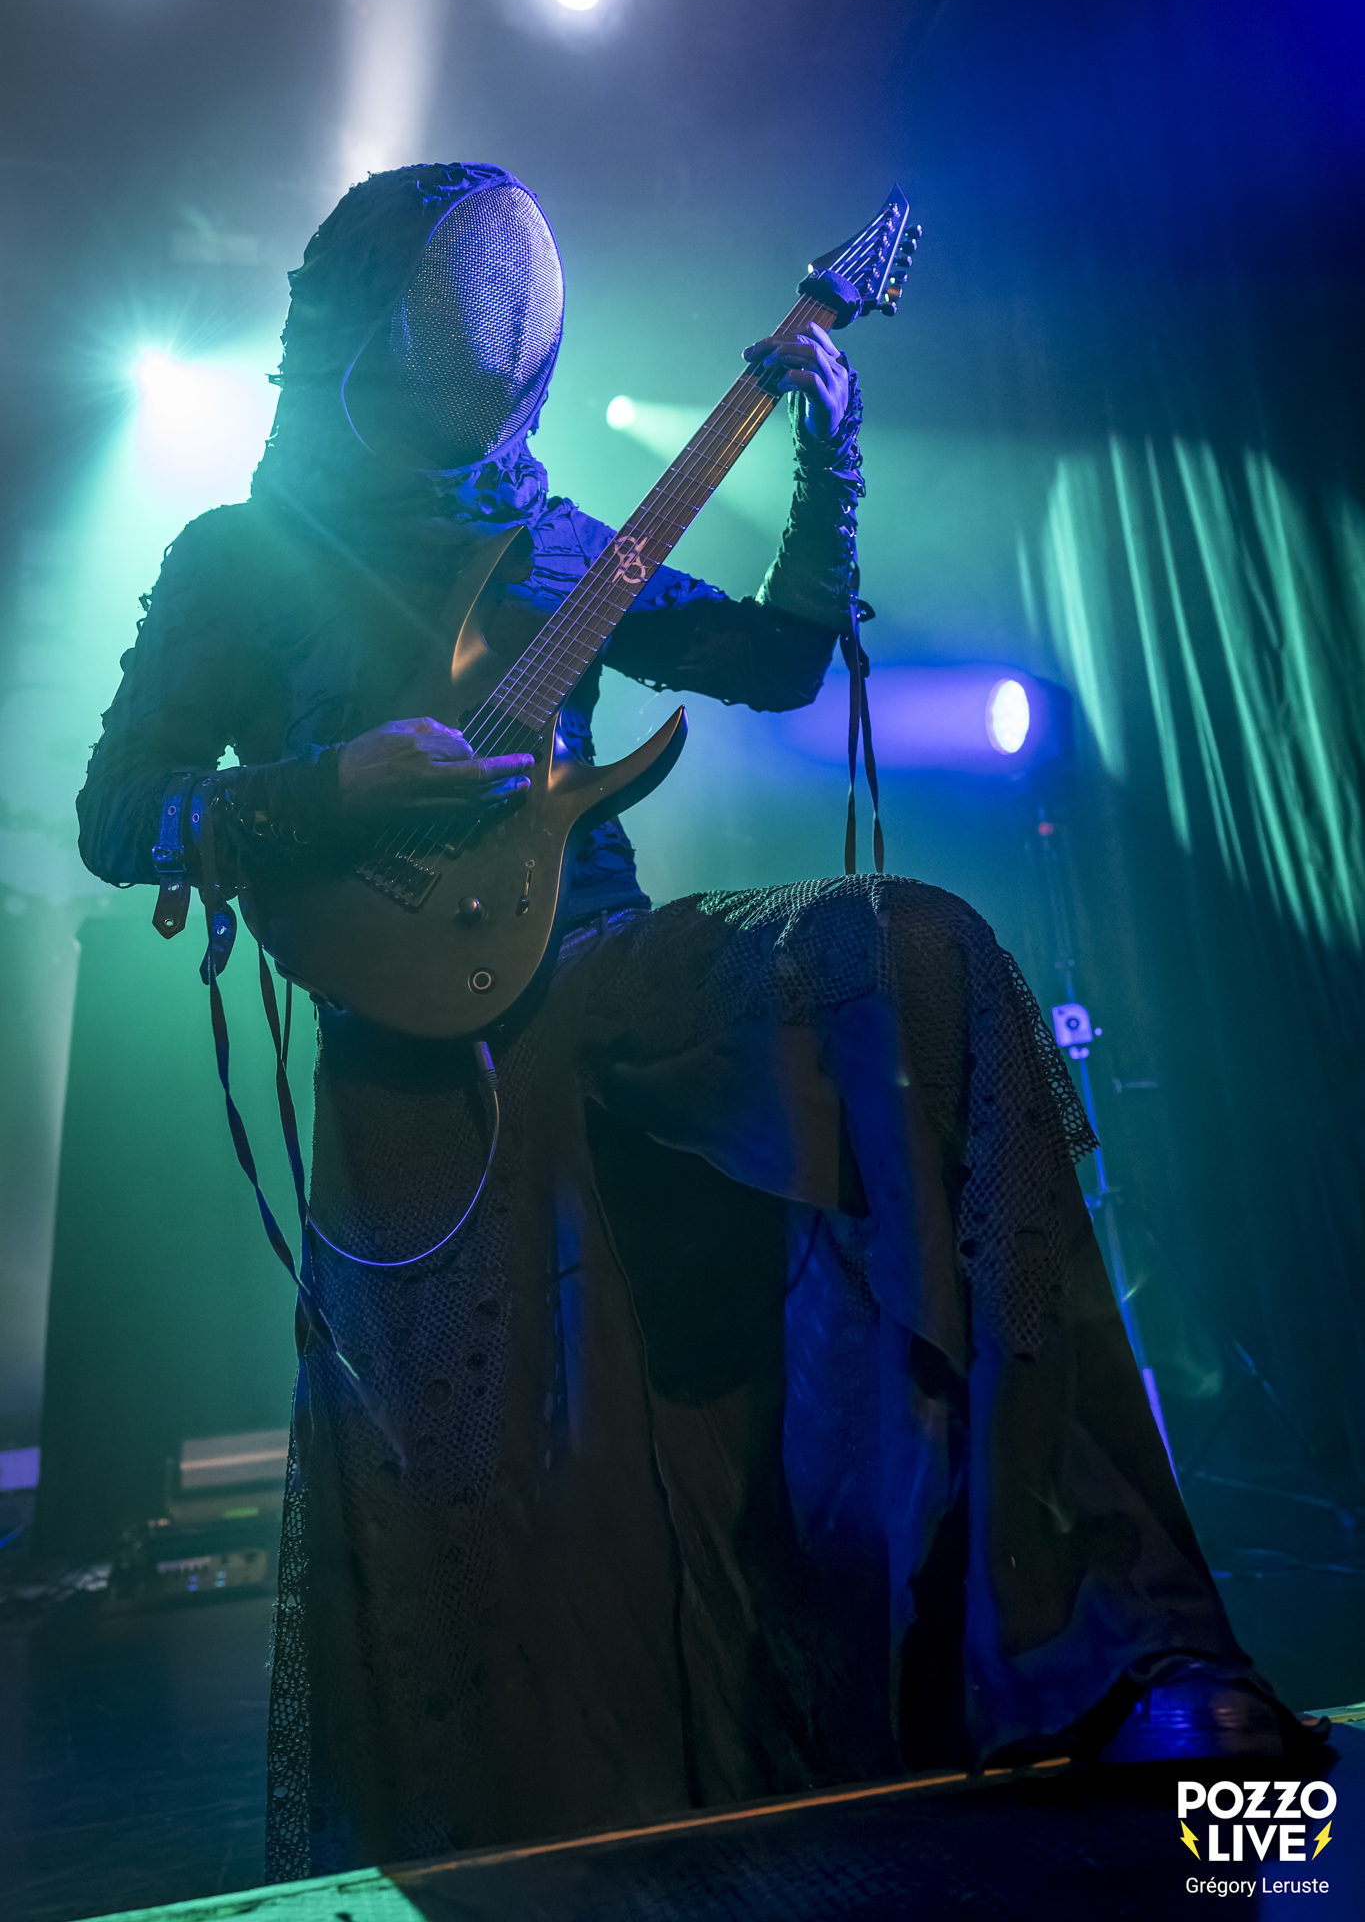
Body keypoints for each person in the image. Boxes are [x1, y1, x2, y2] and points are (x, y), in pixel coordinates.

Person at [77, 162, 1320, 1881]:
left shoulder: (558, 536)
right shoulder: (236, 557)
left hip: (602, 972)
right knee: (506, 1550)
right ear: (358, 347)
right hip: (404, 1055)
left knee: (914, 952)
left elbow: (777, 662)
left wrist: (827, 456)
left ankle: (1121, 1647)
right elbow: (119, 811)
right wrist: (331, 789)